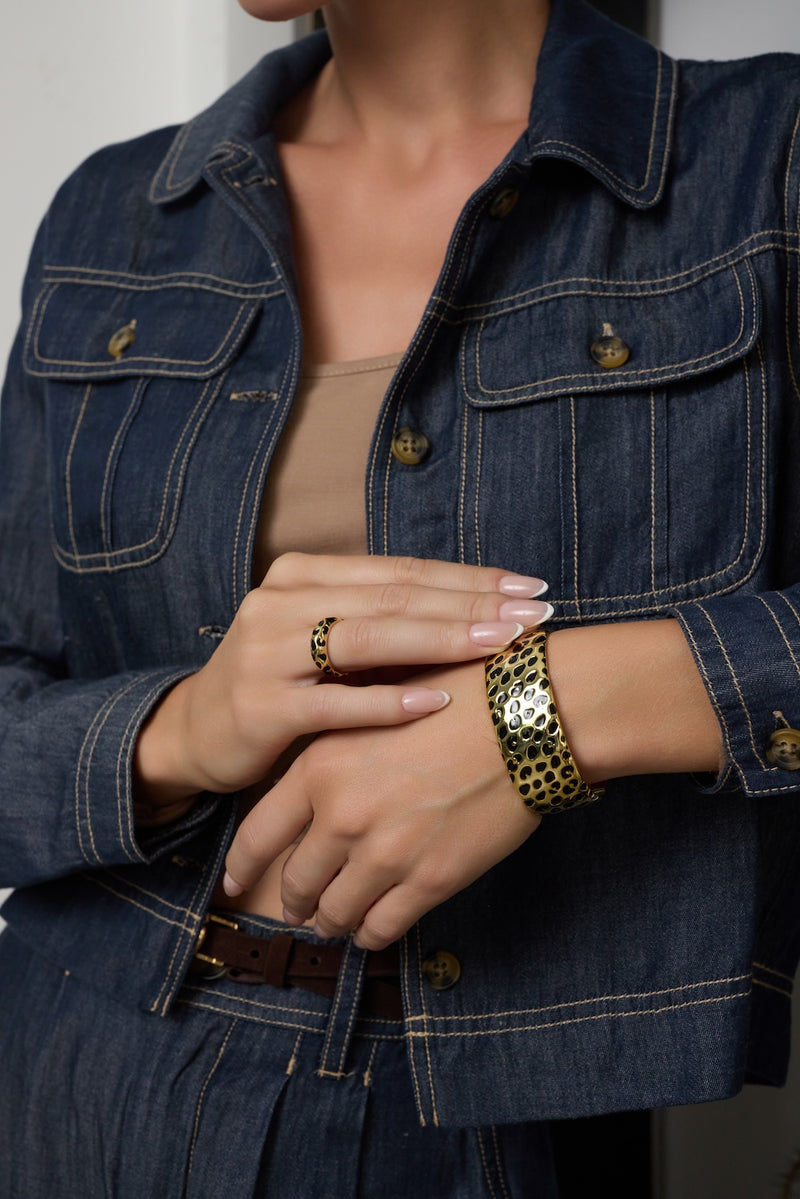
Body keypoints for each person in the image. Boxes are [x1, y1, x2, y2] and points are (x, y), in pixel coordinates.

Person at [1, 0, 800, 1193]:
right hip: (81, 1070)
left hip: (492, 1128)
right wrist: (181, 729)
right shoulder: (109, 215)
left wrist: (538, 721)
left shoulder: (760, 161)